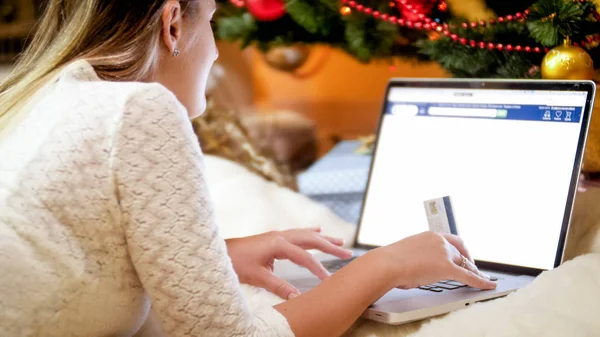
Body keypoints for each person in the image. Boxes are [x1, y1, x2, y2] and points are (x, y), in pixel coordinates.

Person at [0, 1, 496, 336]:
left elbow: (70, 246)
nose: (215, 50)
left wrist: (208, 254)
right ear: (173, 24)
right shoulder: (138, 107)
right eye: (212, 21)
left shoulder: (48, 95)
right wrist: (383, 266)